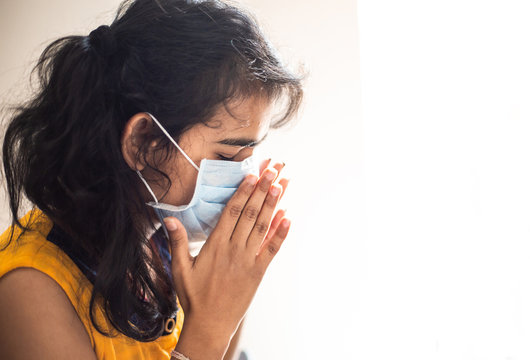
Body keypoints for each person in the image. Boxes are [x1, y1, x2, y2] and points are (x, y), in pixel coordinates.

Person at [0, 0, 304, 359]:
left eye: (249, 158)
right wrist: (209, 326)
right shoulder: (29, 291)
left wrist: (233, 284)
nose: (244, 181)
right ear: (143, 142)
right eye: (226, 157)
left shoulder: (157, 240)